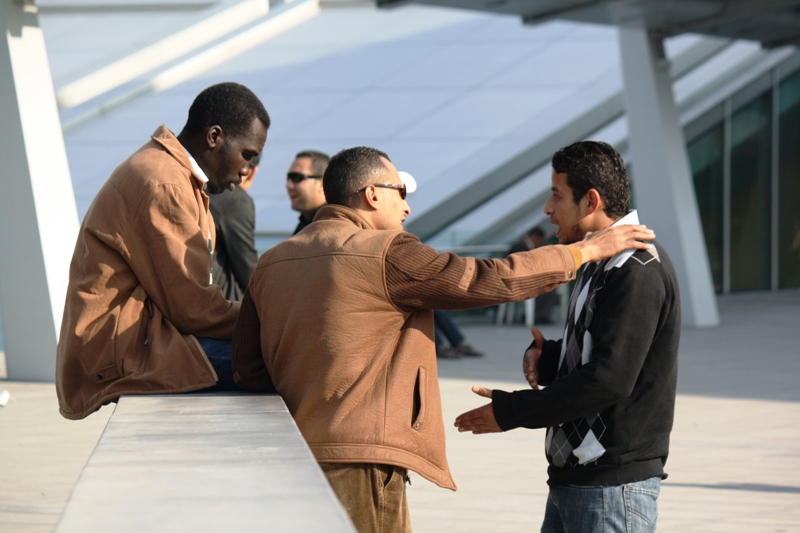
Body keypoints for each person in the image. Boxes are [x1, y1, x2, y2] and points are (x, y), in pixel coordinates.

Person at [230, 145, 655, 533]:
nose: (408, 208)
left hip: (290, 459)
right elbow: (482, 280)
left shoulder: (271, 263)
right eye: (400, 192)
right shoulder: (387, 251)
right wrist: (580, 253)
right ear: (372, 194)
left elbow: (248, 369)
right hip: (361, 465)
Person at [455, 141, 680, 533]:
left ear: (590, 201)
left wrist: (512, 411)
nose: (547, 209)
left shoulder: (636, 267)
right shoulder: (598, 259)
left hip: (611, 489)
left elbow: (609, 378)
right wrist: (550, 358)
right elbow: (606, 352)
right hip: (578, 481)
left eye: (556, 195)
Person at [56, 82, 270, 420]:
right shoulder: (164, 183)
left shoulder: (174, 175)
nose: (246, 173)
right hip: (124, 353)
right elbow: (195, 310)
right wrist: (277, 322)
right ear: (214, 137)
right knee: (286, 359)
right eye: (247, 155)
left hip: (138, 342)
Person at [210, 154, 260, 301]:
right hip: (221, 306)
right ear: (251, 172)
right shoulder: (235, 199)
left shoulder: (191, 184)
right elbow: (247, 266)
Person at [505, 227, 558, 324]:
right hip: (517, 281)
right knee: (548, 288)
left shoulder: (521, 245)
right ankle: (539, 316)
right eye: (540, 240)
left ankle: (537, 315)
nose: (540, 243)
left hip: (518, 279)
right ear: (534, 237)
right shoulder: (520, 246)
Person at [286, 149, 330, 234]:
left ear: (322, 184)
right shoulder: (305, 221)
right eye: (289, 178)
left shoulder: (333, 225)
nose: (289, 185)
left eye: (297, 177)